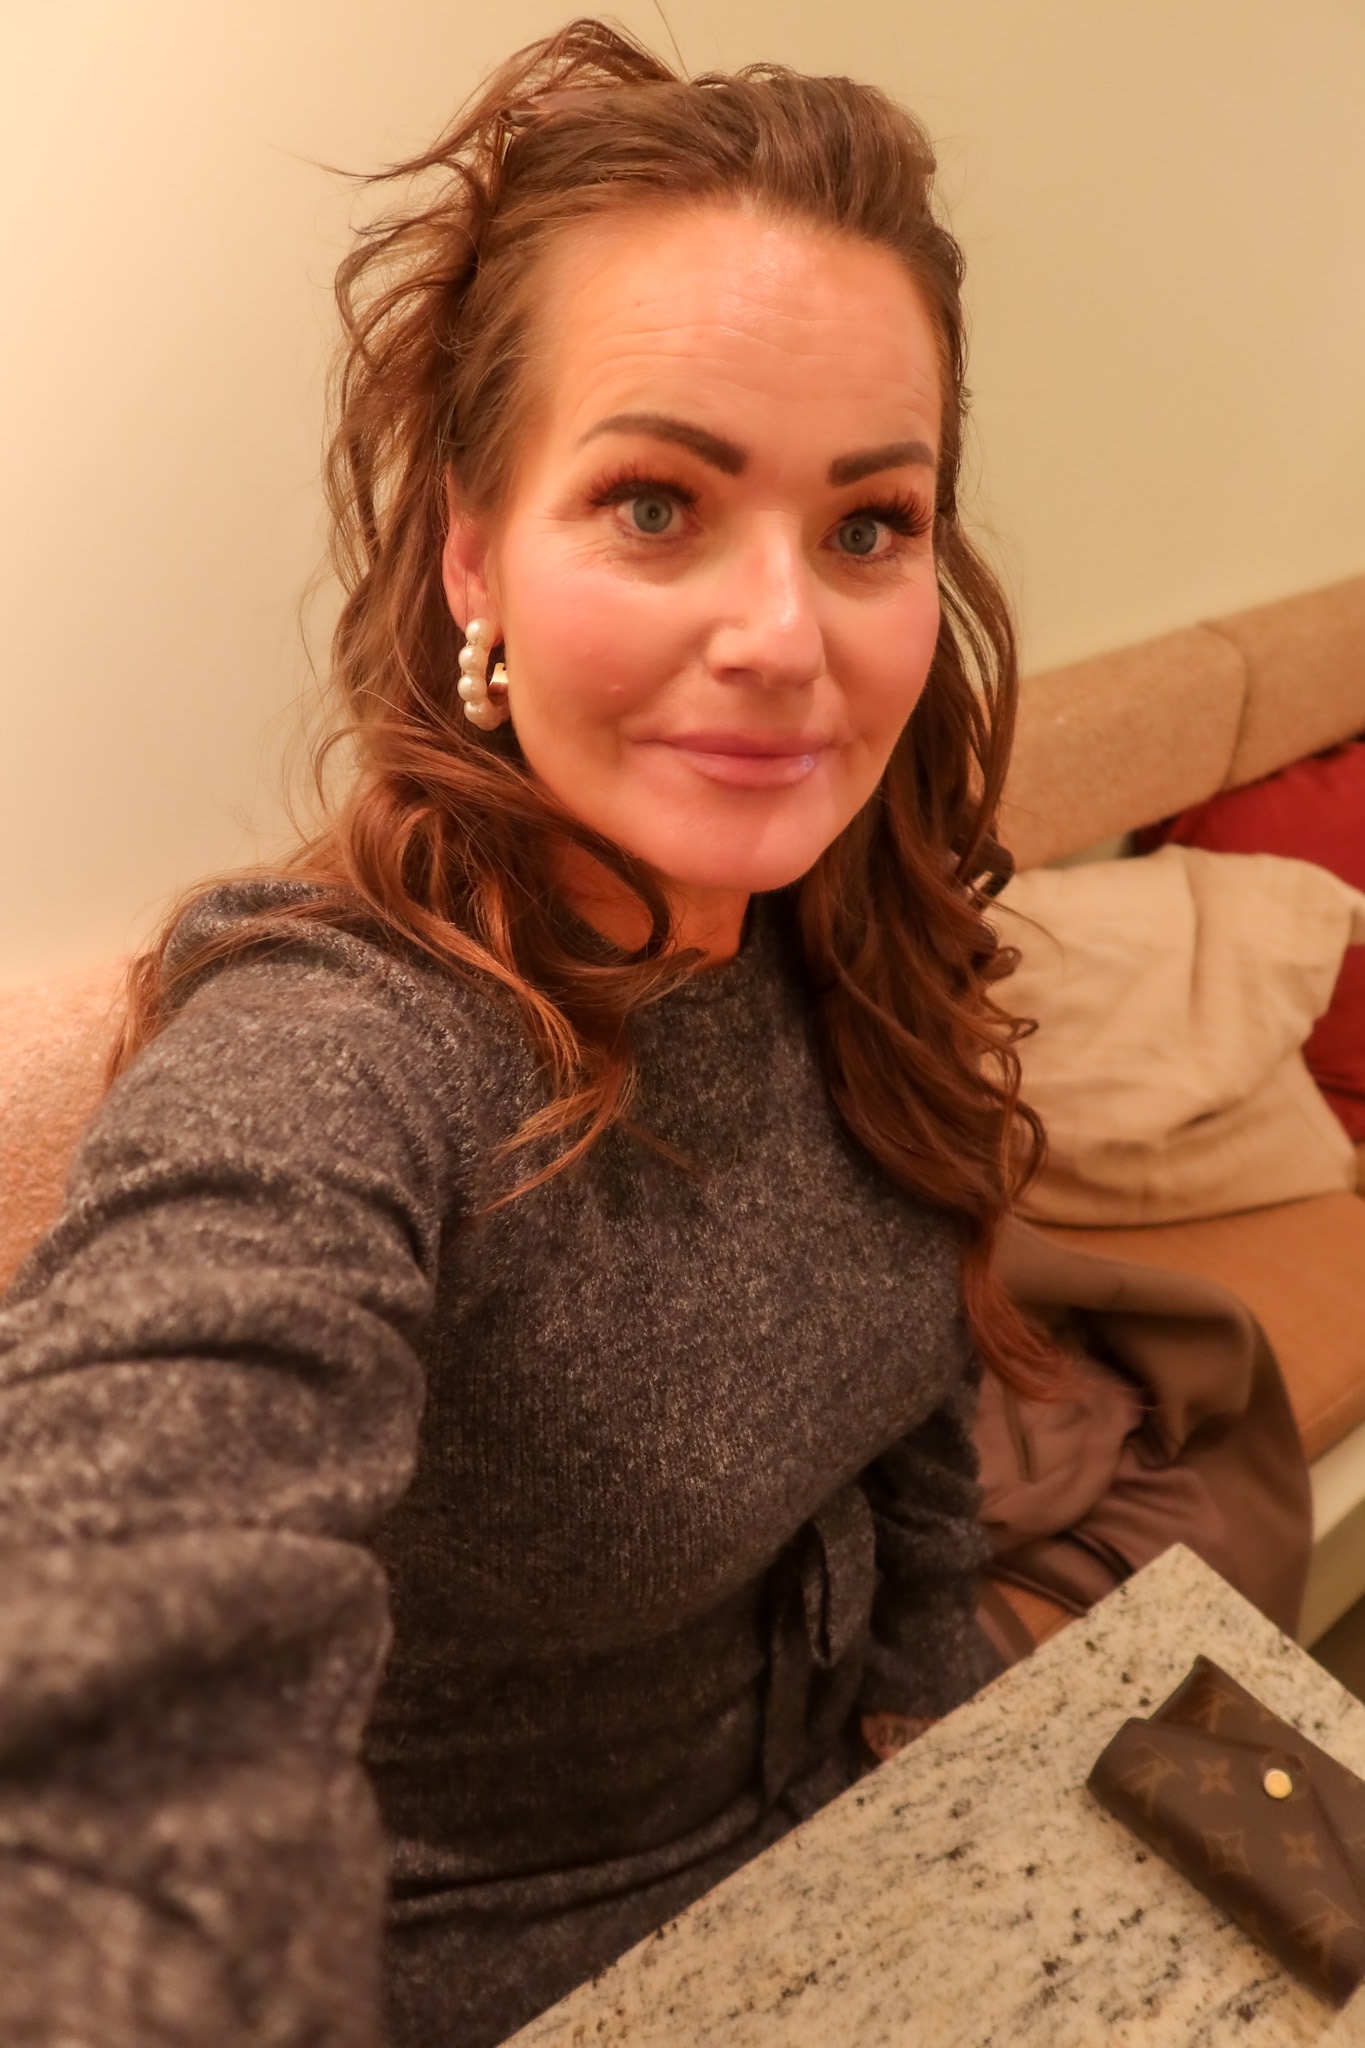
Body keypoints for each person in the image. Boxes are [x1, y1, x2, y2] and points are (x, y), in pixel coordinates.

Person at [0, 20, 1063, 2047]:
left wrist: (948, 1725)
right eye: (655, 502)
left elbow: (909, 1437)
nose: (783, 639)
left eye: (866, 525)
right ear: (472, 550)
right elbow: (108, 1610)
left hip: (850, 1863)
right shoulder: (338, 1052)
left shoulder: (833, 921)